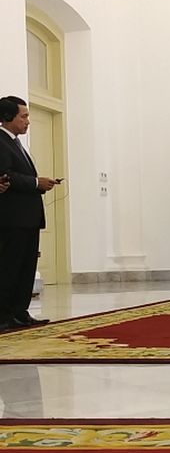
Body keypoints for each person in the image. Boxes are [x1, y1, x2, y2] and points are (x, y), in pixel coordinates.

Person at [0, 96, 59, 331]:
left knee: (25, 268)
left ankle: (19, 312)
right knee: (10, 268)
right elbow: (6, 175)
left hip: (27, 218)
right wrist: (36, 183)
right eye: (23, 116)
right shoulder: (1, 141)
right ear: (7, 117)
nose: (28, 121)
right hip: (12, 219)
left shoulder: (15, 142)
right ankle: (4, 316)